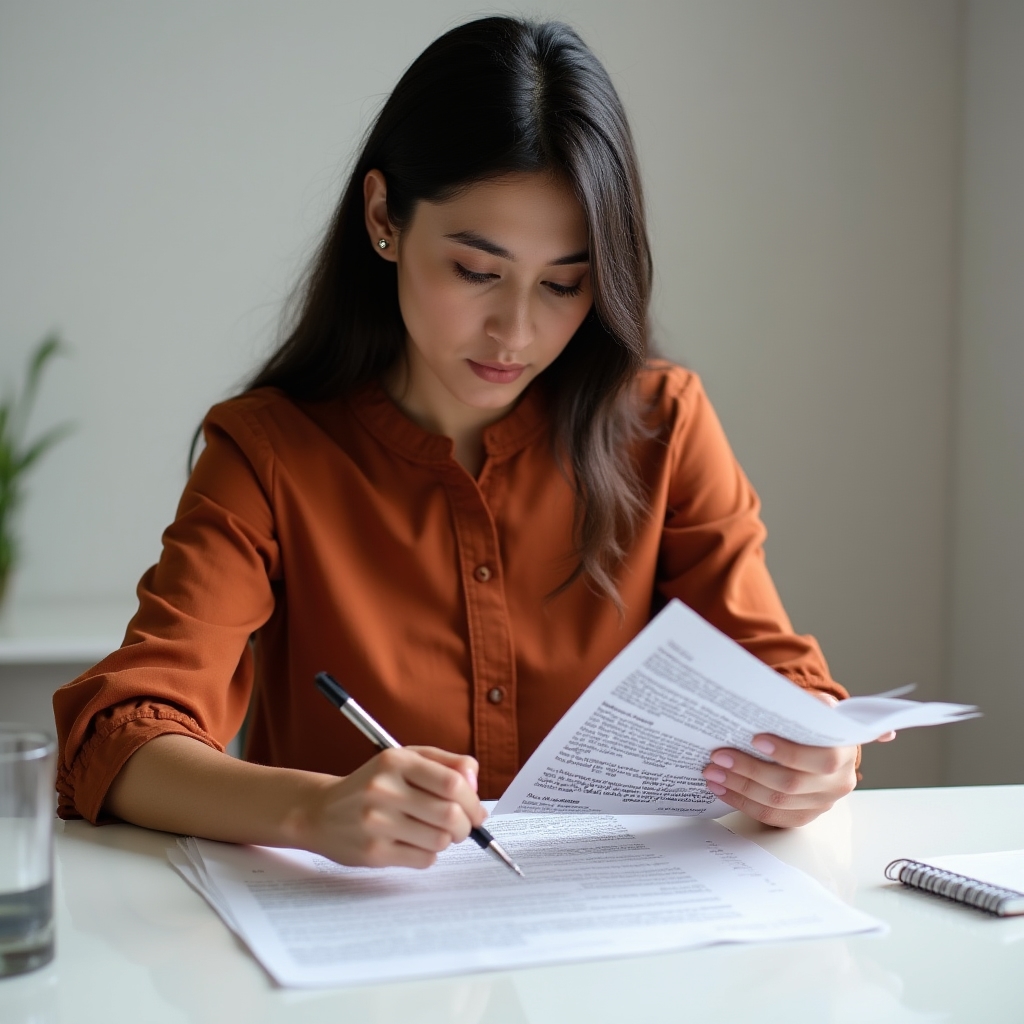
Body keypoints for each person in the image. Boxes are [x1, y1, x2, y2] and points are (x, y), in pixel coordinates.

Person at [53, 16, 890, 871]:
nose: (516, 332)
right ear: (384, 217)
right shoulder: (270, 453)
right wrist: (313, 811)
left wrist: (821, 761)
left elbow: (783, 684)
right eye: (476, 271)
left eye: (565, 284)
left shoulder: (660, 424)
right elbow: (118, 738)